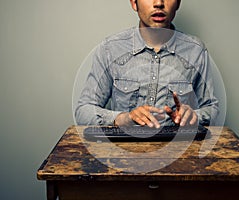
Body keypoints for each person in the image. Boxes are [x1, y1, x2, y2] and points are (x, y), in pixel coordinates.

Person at [75, 0, 219, 128]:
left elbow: (212, 109)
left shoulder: (195, 50)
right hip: (122, 152)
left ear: (178, 3)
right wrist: (122, 118)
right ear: (133, 3)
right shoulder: (110, 49)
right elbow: (83, 111)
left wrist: (194, 117)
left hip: (178, 151)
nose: (158, 3)